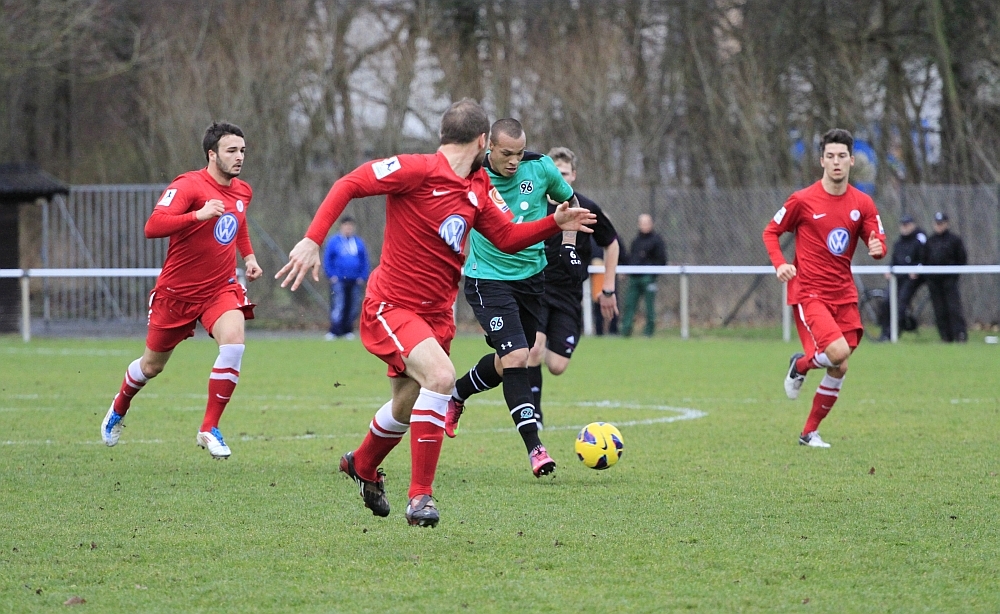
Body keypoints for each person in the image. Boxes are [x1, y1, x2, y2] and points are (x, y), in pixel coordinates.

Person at [274, 99, 595, 528]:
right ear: (482, 141)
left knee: (405, 405)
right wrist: (313, 239)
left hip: (437, 316)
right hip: (393, 306)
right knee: (442, 378)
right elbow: (349, 183)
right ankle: (420, 498)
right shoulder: (415, 170)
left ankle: (362, 464)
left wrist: (554, 223)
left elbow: (506, 237)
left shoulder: (477, 187)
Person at [100, 121, 262, 459]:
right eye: (231, 150)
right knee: (151, 367)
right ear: (212, 154)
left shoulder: (243, 191)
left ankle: (209, 427)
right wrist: (197, 215)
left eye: (242, 150)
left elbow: (239, 221)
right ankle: (120, 405)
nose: (239, 157)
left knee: (234, 342)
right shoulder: (188, 185)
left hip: (219, 289)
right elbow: (152, 226)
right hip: (176, 293)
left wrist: (248, 257)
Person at [444, 119, 580, 479]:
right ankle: (536, 448)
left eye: (519, 153)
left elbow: (570, 200)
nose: (514, 161)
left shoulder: (541, 167)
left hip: (532, 279)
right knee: (519, 356)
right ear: (489, 146)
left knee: (508, 362)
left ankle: (457, 393)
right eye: (507, 154)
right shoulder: (473, 175)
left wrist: (568, 246)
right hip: (487, 279)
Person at [762, 128, 886, 448]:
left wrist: (878, 249)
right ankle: (801, 364)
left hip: (844, 294)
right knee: (837, 353)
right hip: (810, 292)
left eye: (842, 156)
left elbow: (877, 240)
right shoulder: (802, 200)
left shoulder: (863, 203)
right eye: (830, 156)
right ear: (821, 161)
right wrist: (780, 264)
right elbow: (771, 232)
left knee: (840, 365)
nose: (836, 162)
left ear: (851, 160)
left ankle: (808, 431)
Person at [525, 146, 620, 423]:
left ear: (573, 175)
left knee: (557, 365)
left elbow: (611, 244)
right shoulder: (533, 205)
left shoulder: (586, 207)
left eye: (565, 173)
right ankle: (533, 413)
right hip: (536, 289)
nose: (560, 178)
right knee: (533, 348)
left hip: (569, 294)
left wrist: (608, 288)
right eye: (555, 172)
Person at [877, 214, 926, 341]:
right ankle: (884, 333)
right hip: (897, 278)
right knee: (887, 302)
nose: (904, 228)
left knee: (901, 304)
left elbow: (923, 259)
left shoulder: (918, 241)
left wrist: (917, 270)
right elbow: (894, 260)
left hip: (911, 280)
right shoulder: (898, 243)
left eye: (907, 225)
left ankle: (893, 333)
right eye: (903, 225)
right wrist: (888, 270)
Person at [620, 213, 667, 337]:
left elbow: (661, 260)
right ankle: (626, 330)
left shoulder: (657, 240)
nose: (645, 225)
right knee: (629, 304)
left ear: (651, 224)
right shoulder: (636, 241)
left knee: (649, 306)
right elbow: (632, 258)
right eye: (642, 223)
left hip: (648, 278)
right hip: (634, 277)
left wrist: (652, 273)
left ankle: (649, 332)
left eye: (647, 223)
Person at [322, 216, 369, 340]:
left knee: (353, 305)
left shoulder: (358, 242)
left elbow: (364, 260)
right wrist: (331, 275)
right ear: (341, 227)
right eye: (346, 226)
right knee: (339, 304)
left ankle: (348, 330)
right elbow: (327, 259)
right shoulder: (334, 241)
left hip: (355, 279)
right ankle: (335, 330)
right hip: (338, 279)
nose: (348, 228)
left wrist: (363, 276)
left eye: (350, 226)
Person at [925, 211, 968, 342]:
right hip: (934, 282)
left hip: (949, 280)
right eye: (937, 224)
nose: (939, 226)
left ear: (946, 224)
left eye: (941, 223)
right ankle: (945, 336)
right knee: (939, 310)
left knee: (953, 308)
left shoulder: (954, 240)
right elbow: (924, 259)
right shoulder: (930, 241)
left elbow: (962, 259)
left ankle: (959, 334)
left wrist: (954, 275)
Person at [590, 237, 619, 335]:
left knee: (612, 304)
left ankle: (613, 330)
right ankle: (599, 331)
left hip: (610, 278)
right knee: (597, 305)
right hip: (596, 278)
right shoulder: (590, 239)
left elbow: (621, 254)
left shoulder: (613, 237)